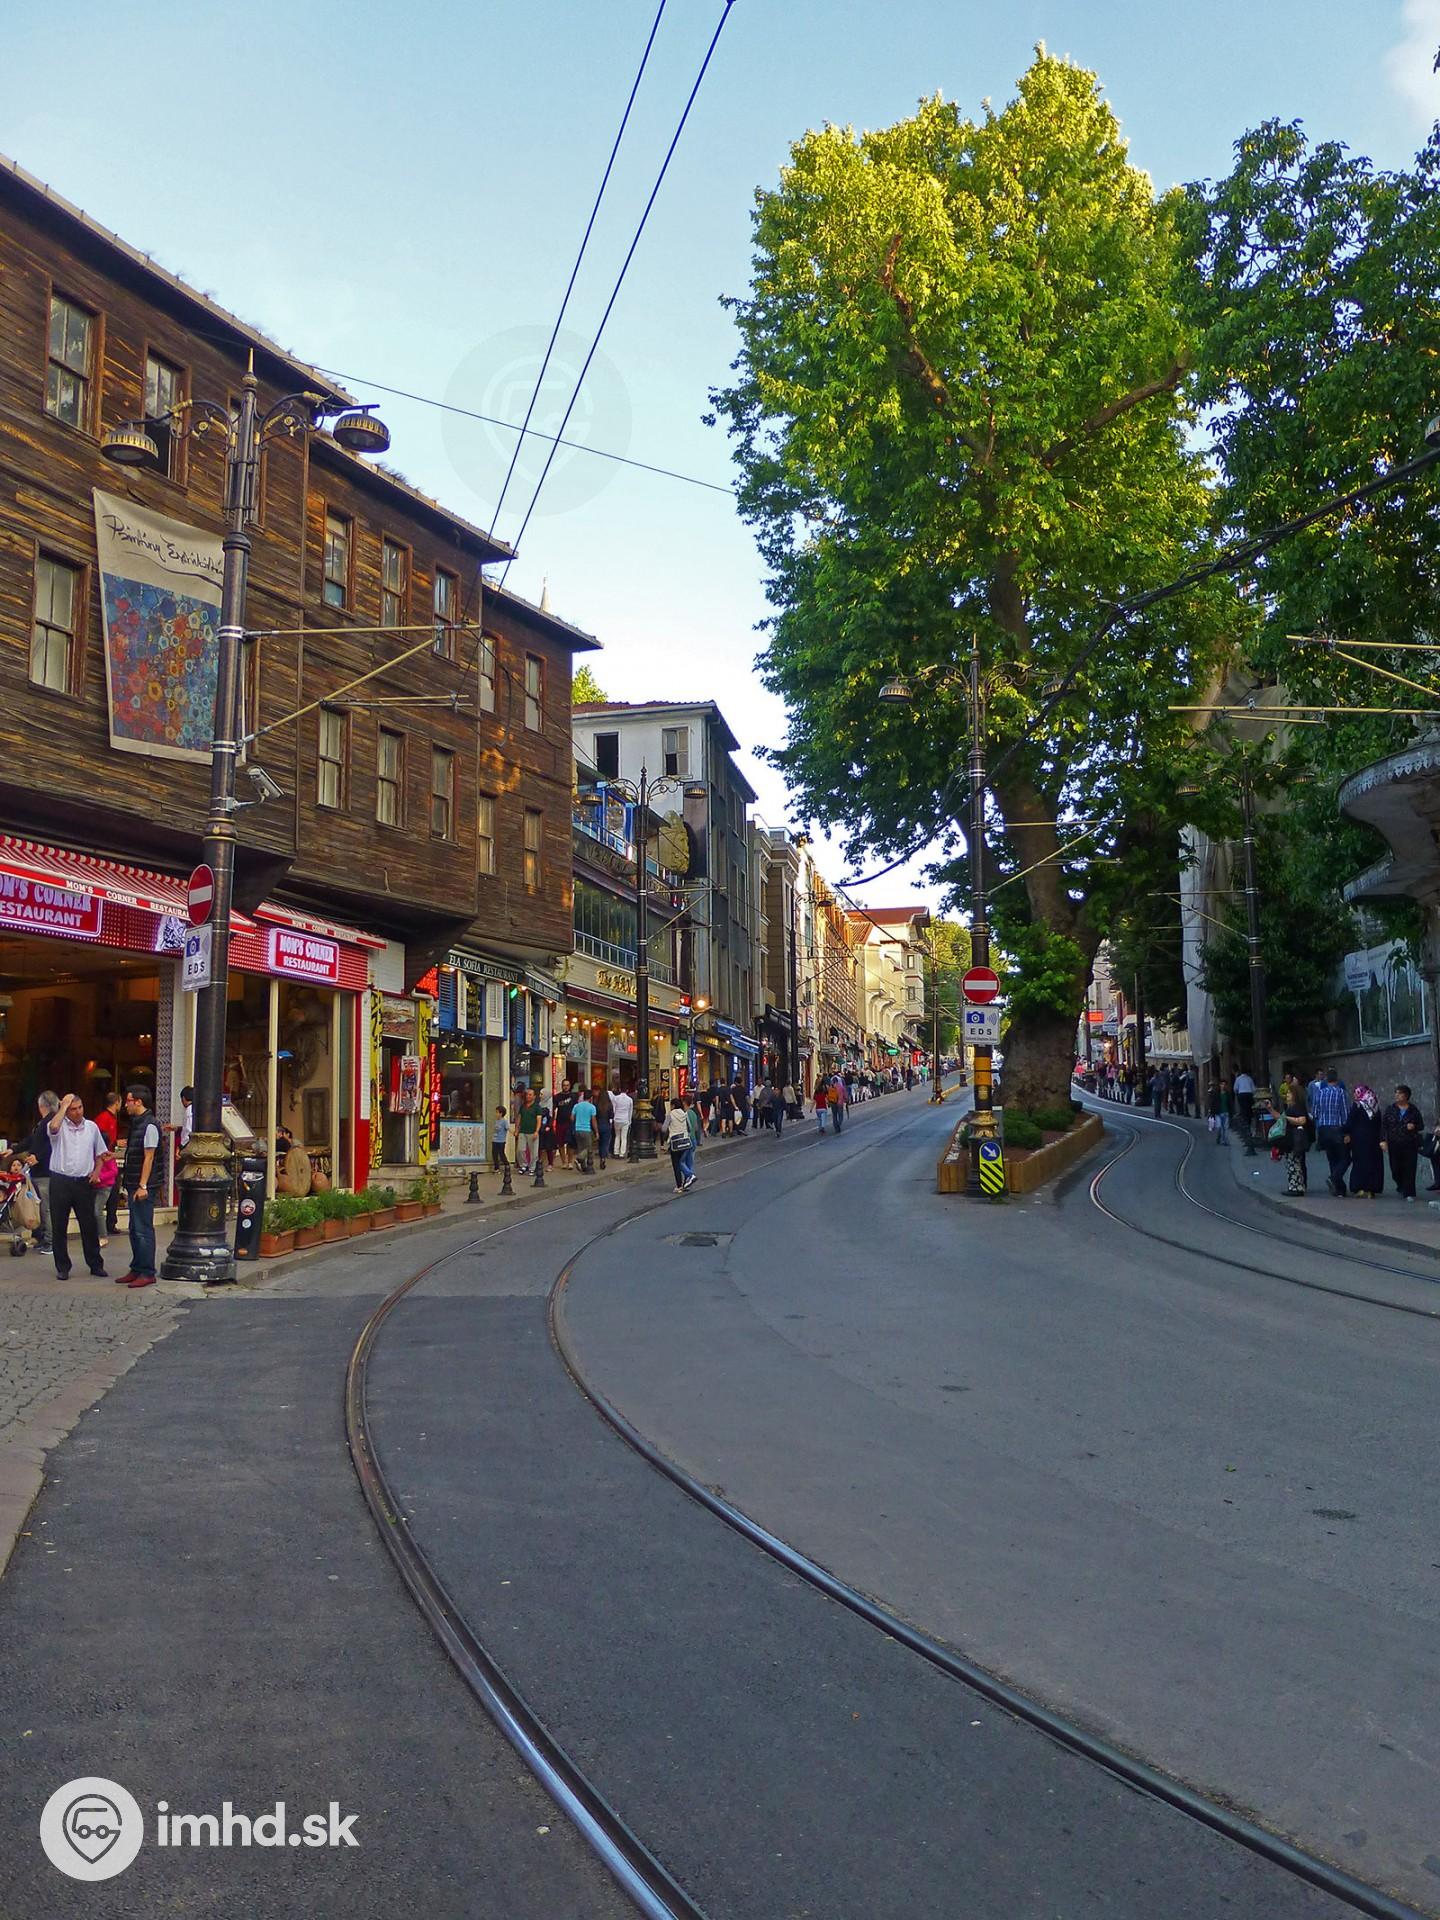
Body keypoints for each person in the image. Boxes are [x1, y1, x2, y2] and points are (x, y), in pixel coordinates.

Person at [46, 1091, 114, 1280]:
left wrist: (97, 1171)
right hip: (61, 1180)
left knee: (89, 1224)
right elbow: (53, 1127)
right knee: (60, 1225)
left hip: (83, 1182)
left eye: (80, 1108)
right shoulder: (59, 1125)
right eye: (73, 1109)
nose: (77, 1112)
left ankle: (95, 1264)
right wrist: (63, 1107)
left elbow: (101, 1153)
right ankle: (62, 1267)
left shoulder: (92, 1127)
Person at [120, 1085, 161, 1286]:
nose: (125, 1105)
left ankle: (147, 1271)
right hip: (133, 1181)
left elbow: (149, 1157)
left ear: (138, 1102)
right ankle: (137, 1267)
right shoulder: (137, 1124)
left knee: (143, 1228)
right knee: (134, 1227)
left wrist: (143, 1185)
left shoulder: (149, 1125)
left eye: (128, 1101)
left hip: (142, 1184)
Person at [17, 1091, 58, 1251]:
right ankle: (42, 1236)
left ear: (41, 1105)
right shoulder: (43, 1123)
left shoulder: (52, 1123)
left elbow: (51, 1145)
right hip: (38, 1171)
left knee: (46, 1208)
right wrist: (14, 1149)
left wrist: (38, 1157)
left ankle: (50, 1241)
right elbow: (32, 1140)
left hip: (45, 1171)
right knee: (39, 1207)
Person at [1308, 1066, 1351, 1197]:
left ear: (1326, 1080)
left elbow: (1315, 1113)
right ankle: (1334, 1178)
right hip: (1337, 1129)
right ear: (1337, 1080)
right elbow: (1345, 1114)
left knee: (1332, 1158)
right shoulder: (1341, 1093)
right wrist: (1347, 1132)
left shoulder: (1319, 1093)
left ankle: (1339, 1189)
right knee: (1345, 1158)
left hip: (1323, 1129)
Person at [1382, 1084, 1425, 1200]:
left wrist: (1414, 1126)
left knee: (1409, 1168)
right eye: (1396, 1093)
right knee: (1395, 1168)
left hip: (1410, 1143)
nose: (1397, 1095)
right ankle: (1401, 1185)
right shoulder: (1390, 1109)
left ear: (1406, 1096)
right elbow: (1384, 1126)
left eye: (1400, 1093)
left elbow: (1421, 1125)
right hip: (1394, 1142)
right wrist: (1383, 1140)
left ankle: (1409, 1192)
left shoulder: (1413, 1110)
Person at [94, 1088, 124, 1240]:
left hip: (109, 1157)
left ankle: (111, 1222)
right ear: (116, 1102)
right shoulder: (103, 1118)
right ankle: (107, 1225)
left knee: (114, 1193)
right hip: (104, 1158)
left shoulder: (111, 1119)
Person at [1345, 1084, 1384, 1198]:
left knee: (1360, 1163)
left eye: (1355, 1093)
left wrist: (1343, 1131)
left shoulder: (1357, 1105)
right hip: (1373, 1138)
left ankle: (1360, 1187)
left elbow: (1350, 1122)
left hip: (1359, 1139)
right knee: (1373, 1163)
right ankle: (1371, 1189)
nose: (1354, 1096)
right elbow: (1379, 1123)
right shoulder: (1374, 1105)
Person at [1281, 1078, 1311, 1195]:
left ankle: (1297, 1187)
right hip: (1293, 1138)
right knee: (1293, 1162)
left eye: (1289, 1093)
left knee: (1295, 1163)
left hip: (1296, 1138)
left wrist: (1286, 1118)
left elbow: (1302, 1120)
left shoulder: (1297, 1107)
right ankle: (1296, 1186)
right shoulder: (1290, 1107)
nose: (1287, 1095)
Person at [663, 1098, 692, 1191]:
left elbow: (664, 1128)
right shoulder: (684, 1114)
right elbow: (689, 1127)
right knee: (683, 1163)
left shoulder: (670, 1115)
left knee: (676, 1164)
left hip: (675, 1142)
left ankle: (680, 1185)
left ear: (673, 1106)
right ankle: (686, 1183)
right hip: (685, 1141)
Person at [572, 1088, 597, 1173]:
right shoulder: (592, 1107)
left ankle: (583, 1166)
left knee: (580, 1148)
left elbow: (572, 1118)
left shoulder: (576, 1106)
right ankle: (579, 1159)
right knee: (588, 1148)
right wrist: (596, 1131)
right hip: (586, 1129)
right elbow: (593, 1120)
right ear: (591, 1098)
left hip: (577, 1129)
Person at [515, 1089, 540, 1173]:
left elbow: (539, 1120)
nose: (528, 1096)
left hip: (532, 1131)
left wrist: (536, 1131)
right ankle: (523, 1165)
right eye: (527, 1095)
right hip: (523, 1131)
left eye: (530, 1095)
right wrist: (517, 1129)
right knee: (520, 1150)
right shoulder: (523, 1106)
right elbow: (519, 1117)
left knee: (534, 1152)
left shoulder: (537, 1107)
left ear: (534, 1096)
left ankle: (532, 1168)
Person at [1233, 1068, 1256, 1152]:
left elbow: (1235, 1089)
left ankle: (1244, 1120)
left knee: (1243, 1110)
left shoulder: (1238, 1079)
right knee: (1249, 1110)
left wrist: (1237, 1094)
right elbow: (1254, 1089)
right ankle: (1248, 1119)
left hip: (1241, 1095)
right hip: (1249, 1095)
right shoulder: (1249, 1079)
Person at [1206, 1076, 1231, 1146]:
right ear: (1220, 1085)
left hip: (1226, 1112)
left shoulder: (1227, 1094)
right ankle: (1219, 1137)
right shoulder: (1216, 1093)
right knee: (1219, 1127)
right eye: (1222, 1084)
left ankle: (1224, 1140)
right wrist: (1211, 1111)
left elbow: (1230, 1103)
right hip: (1218, 1113)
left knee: (1225, 1128)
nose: (1223, 1086)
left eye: (1224, 1084)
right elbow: (1212, 1103)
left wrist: (1231, 1112)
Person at [611, 1084, 633, 1161]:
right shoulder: (629, 1100)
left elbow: (614, 1109)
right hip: (625, 1119)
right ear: (627, 1090)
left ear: (620, 1089)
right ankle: (622, 1153)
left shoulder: (616, 1098)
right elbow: (630, 1111)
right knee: (624, 1137)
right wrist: (629, 1121)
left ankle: (616, 1152)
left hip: (617, 1118)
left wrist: (614, 1117)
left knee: (617, 1136)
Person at [594, 1085, 614, 1168]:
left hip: (598, 1124)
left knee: (600, 1143)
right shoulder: (609, 1105)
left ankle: (601, 1155)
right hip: (606, 1124)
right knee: (605, 1143)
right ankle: (603, 1158)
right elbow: (611, 1116)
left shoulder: (596, 1104)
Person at [490, 1105, 509, 1173]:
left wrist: (513, 1132)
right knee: (494, 1154)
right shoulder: (496, 1121)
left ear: (501, 1113)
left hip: (501, 1141)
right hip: (495, 1140)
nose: (496, 1114)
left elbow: (507, 1128)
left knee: (501, 1154)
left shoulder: (504, 1121)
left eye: (497, 1112)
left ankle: (507, 1165)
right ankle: (496, 1168)